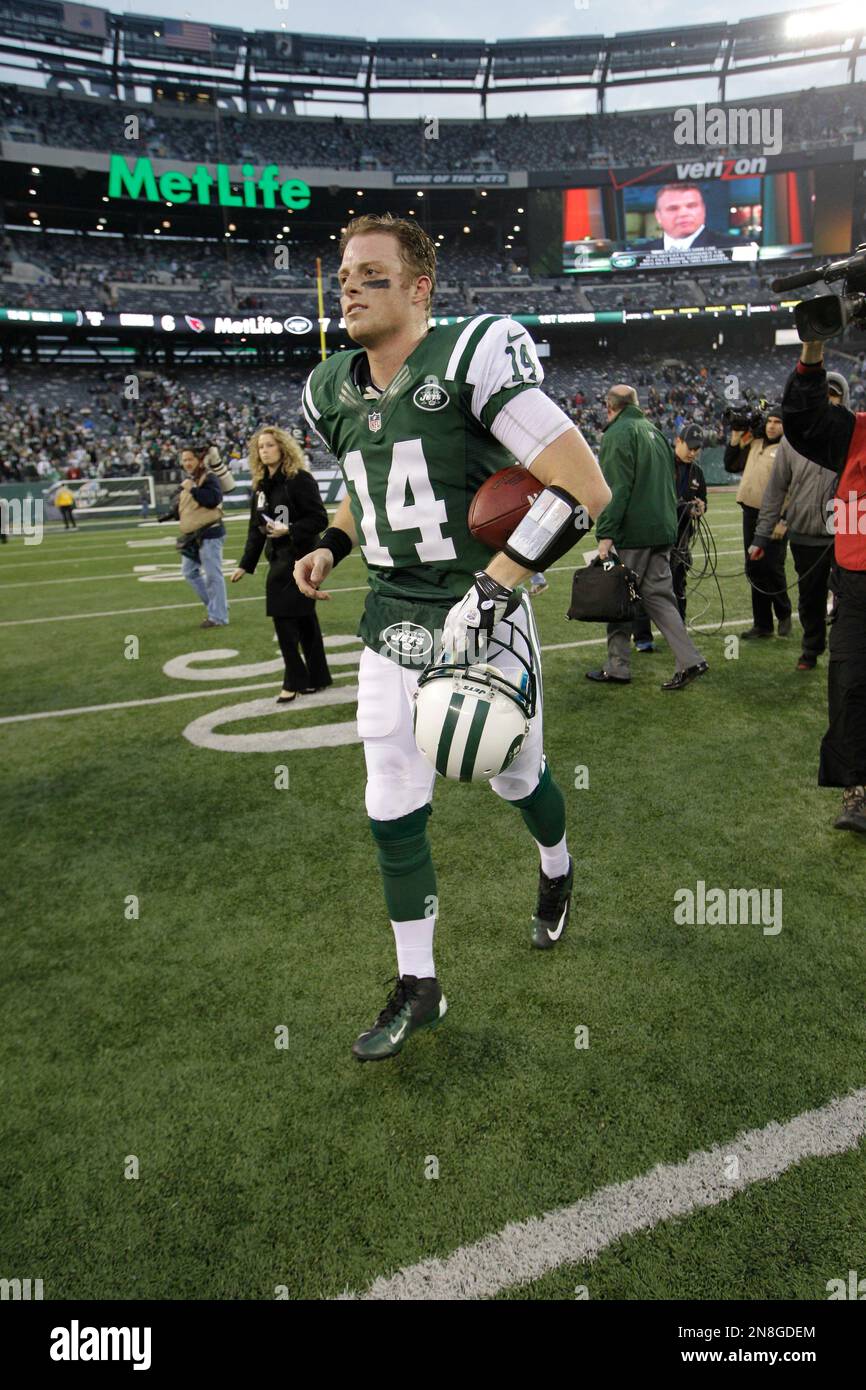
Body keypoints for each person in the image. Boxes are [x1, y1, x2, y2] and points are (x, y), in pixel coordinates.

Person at [295, 212, 610, 1062]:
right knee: (391, 803)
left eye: (372, 275)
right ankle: (419, 984)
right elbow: (368, 492)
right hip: (387, 623)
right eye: (345, 274)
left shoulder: (471, 359)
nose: (350, 287)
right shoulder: (330, 387)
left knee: (517, 777)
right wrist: (330, 543)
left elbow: (583, 486)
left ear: (421, 287)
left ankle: (557, 866)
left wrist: (496, 585)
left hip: (482, 624)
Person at [782, 344, 866, 834]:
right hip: (856, 584)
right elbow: (803, 417)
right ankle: (857, 788)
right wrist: (813, 349)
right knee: (851, 684)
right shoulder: (854, 430)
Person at [586, 386, 708, 690]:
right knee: (660, 597)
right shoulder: (654, 432)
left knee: (617, 599)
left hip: (634, 533)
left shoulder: (618, 434)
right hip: (662, 531)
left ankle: (617, 667)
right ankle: (690, 660)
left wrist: (606, 534)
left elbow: (617, 488)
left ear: (609, 406)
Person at [749, 373, 845, 671]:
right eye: (821, 396)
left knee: (852, 600)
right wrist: (761, 537)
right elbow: (776, 491)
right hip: (805, 534)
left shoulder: (854, 436)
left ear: (842, 400)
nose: (827, 402)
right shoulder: (792, 441)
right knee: (809, 599)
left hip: (847, 535)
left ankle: (846, 654)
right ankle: (811, 648)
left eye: (832, 396)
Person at [231, 425, 332, 702]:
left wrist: (290, 529)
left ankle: (294, 681)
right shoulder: (262, 485)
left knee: (284, 620)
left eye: (270, 445)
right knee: (305, 621)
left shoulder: (300, 479)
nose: (264, 451)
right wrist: (244, 564)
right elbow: (255, 529)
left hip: (301, 559)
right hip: (277, 558)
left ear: (283, 448)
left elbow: (320, 519)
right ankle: (317, 677)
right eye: (260, 447)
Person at [724, 406, 792, 640]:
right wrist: (735, 435)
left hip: (773, 517)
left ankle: (783, 613)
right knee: (754, 568)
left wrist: (785, 520)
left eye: (778, 422)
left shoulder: (788, 448)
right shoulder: (754, 442)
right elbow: (731, 465)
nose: (772, 425)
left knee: (772, 568)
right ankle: (762, 624)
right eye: (770, 421)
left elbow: (796, 487)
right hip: (750, 512)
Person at [177, 443, 229, 629]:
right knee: (189, 572)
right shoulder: (193, 478)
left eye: (190, 459)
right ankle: (217, 607)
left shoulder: (209, 477)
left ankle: (219, 616)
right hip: (194, 536)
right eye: (184, 460)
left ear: (199, 459)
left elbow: (213, 500)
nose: (187, 463)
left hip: (210, 533)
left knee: (213, 575)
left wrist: (192, 489)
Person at [670, 423, 708, 620]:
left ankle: (679, 627)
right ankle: (642, 635)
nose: (692, 453)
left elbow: (703, 503)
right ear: (678, 441)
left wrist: (700, 508)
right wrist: (684, 507)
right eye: (689, 448)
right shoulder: (663, 464)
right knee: (651, 585)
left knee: (679, 585)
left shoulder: (697, 472)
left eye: (696, 449)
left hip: (683, 538)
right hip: (660, 536)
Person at [642, 184, 741, 252]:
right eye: (673, 208)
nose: (683, 213)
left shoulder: (736, 246)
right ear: (658, 216)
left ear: (703, 210)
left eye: (691, 206)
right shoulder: (640, 252)